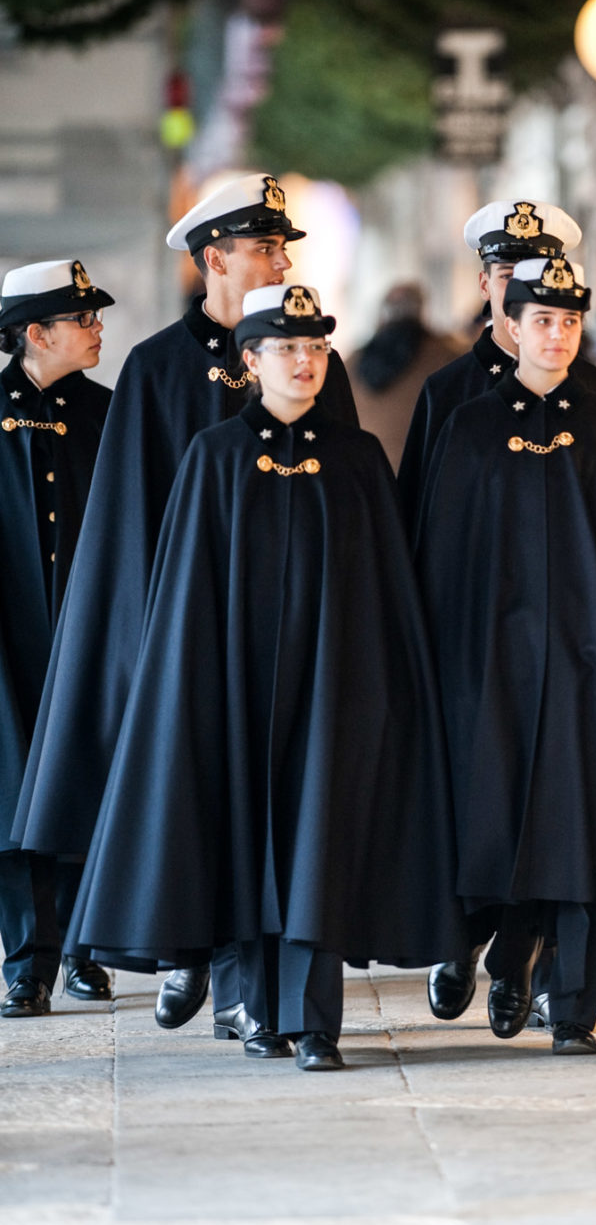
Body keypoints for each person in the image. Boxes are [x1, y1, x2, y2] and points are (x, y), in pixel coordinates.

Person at [65, 285, 467, 1070]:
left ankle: (316, 1021)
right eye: (286, 347)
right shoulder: (213, 458)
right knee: (248, 839)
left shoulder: (357, 461)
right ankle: (256, 1009)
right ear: (250, 360)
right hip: (234, 688)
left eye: (316, 346)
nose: (305, 361)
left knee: (318, 839)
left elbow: (385, 592)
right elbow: (185, 597)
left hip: (334, 692)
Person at [11, 174, 357, 1054]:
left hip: (294, 627)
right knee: (197, 798)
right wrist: (145, 641)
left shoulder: (316, 358)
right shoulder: (157, 368)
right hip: (191, 633)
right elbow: (126, 522)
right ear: (216, 259)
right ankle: (192, 957)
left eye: (284, 248)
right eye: (265, 248)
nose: (281, 260)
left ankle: (258, 990)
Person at [415, 257, 596, 1054]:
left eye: (569, 321)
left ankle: (575, 1009)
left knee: (587, 827)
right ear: (511, 326)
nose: (557, 335)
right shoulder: (472, 426)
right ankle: (485, 952)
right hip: (492, 668)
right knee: (490, 816)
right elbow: (442, 559)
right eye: (542, 320)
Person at [0, 260, 113, 1016]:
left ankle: (83, 948)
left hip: (86, 630)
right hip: (8, 630)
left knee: (86, 779)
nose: (98, 328)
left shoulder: (107, 410)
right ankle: (24, 958)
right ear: (37, 333)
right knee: (11, 793)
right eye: (82, 319)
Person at [398, 198, 596, 534]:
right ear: (483, 284)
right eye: (508, 276)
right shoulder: (446, 392)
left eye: (534, 275)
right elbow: (418, 519)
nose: (521, 292)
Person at [349, 281, 460, 472]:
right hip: (424, 478)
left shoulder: (351, 362)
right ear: (421, 310)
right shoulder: (447, 356)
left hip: (367, 478)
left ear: (382, 313)